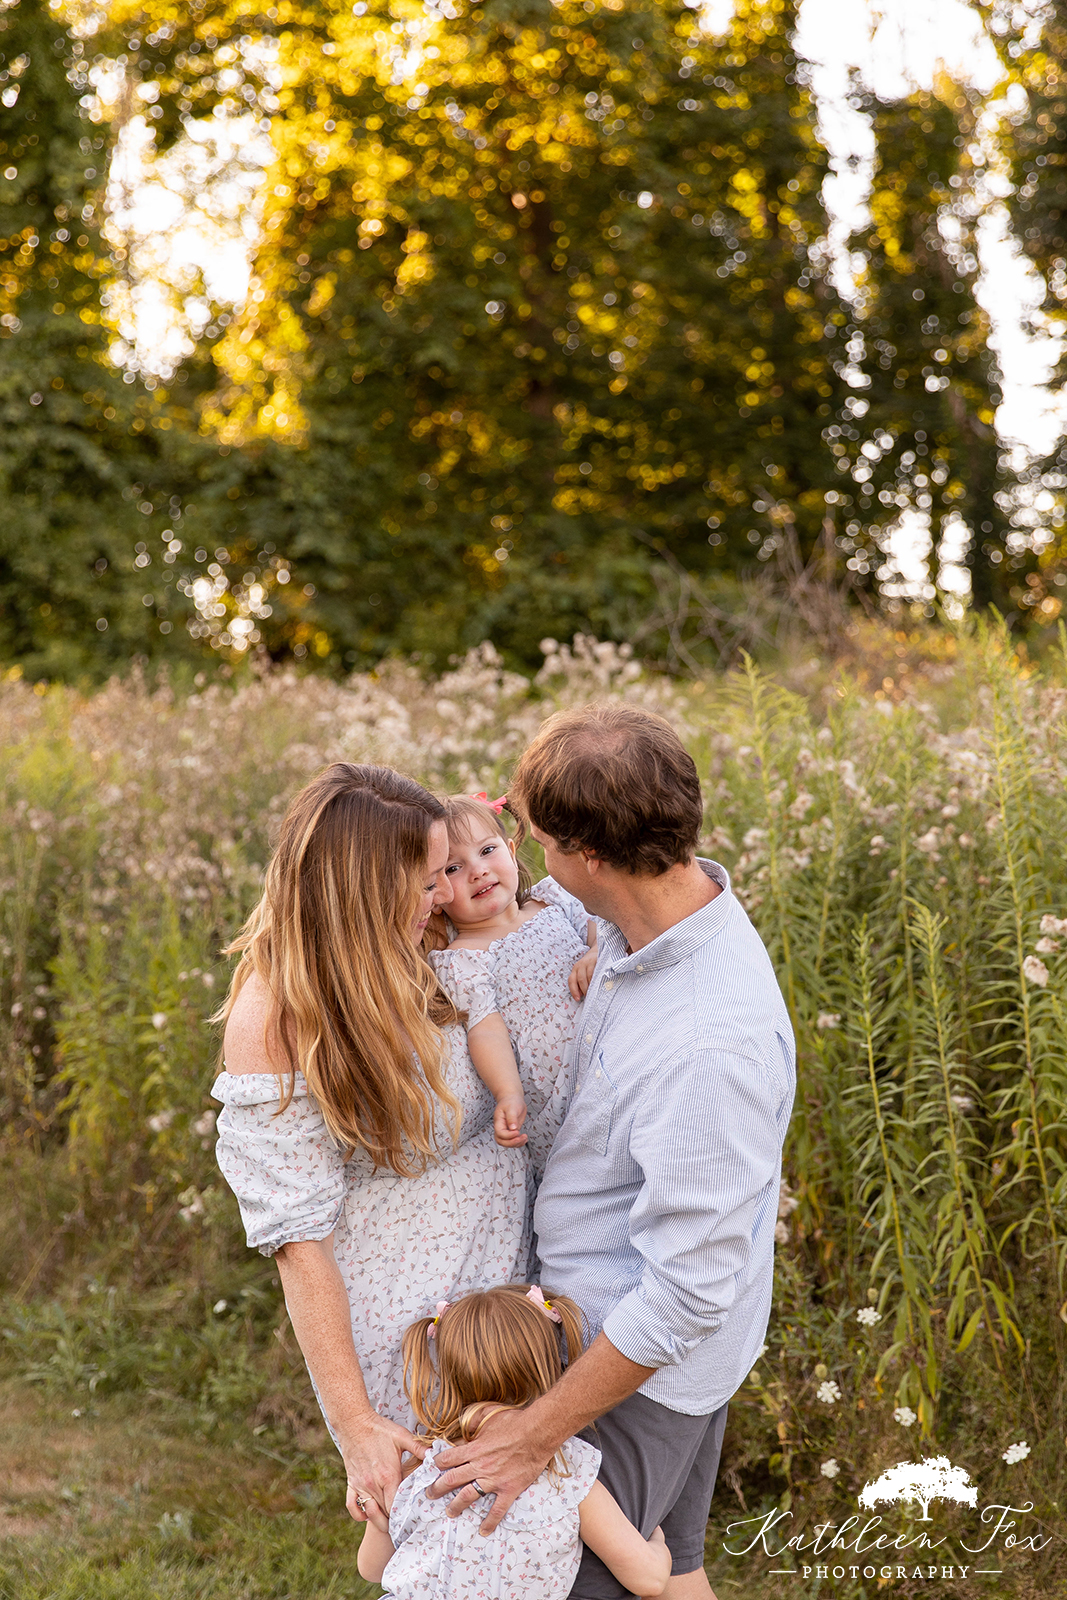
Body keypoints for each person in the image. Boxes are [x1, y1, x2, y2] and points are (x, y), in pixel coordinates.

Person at [427, 704, 796, 1600]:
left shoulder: (706, 1041)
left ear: (586, 854)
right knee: (676, 1581)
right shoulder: (649, 925)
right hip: (626, 1338)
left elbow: (684, 1292)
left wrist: (535, 1432)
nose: (532, 866)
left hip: (635, 1376)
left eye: (541, 843)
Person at [212, 763, 531, 1528]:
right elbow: (299, 1241)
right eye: (425, 882)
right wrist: (356, 1423)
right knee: (455, 1543)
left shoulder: (416, 938)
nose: (443, 894)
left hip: (506, 1288)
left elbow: (532, 920)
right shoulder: (278, 1016)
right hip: (409, 1325)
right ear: (362, 890)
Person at [356, 1283, 672, 1599]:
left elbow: (371, 1569)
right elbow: (649, 1580)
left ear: (447, 1374)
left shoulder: (421, 1465)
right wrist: (658, 1539)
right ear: (551, 1370)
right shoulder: (566, 1470)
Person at [425, 793, 596, 1177]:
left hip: (610, 1055)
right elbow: (486, 1029)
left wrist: (597, 948)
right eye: (453, 868)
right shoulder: (462, 958)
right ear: (435, 895)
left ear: (512, 848)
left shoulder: (553, 901)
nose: (478, 871)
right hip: (555, 1096)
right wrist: (508, 1093)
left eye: (487, 850)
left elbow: (607, 923)